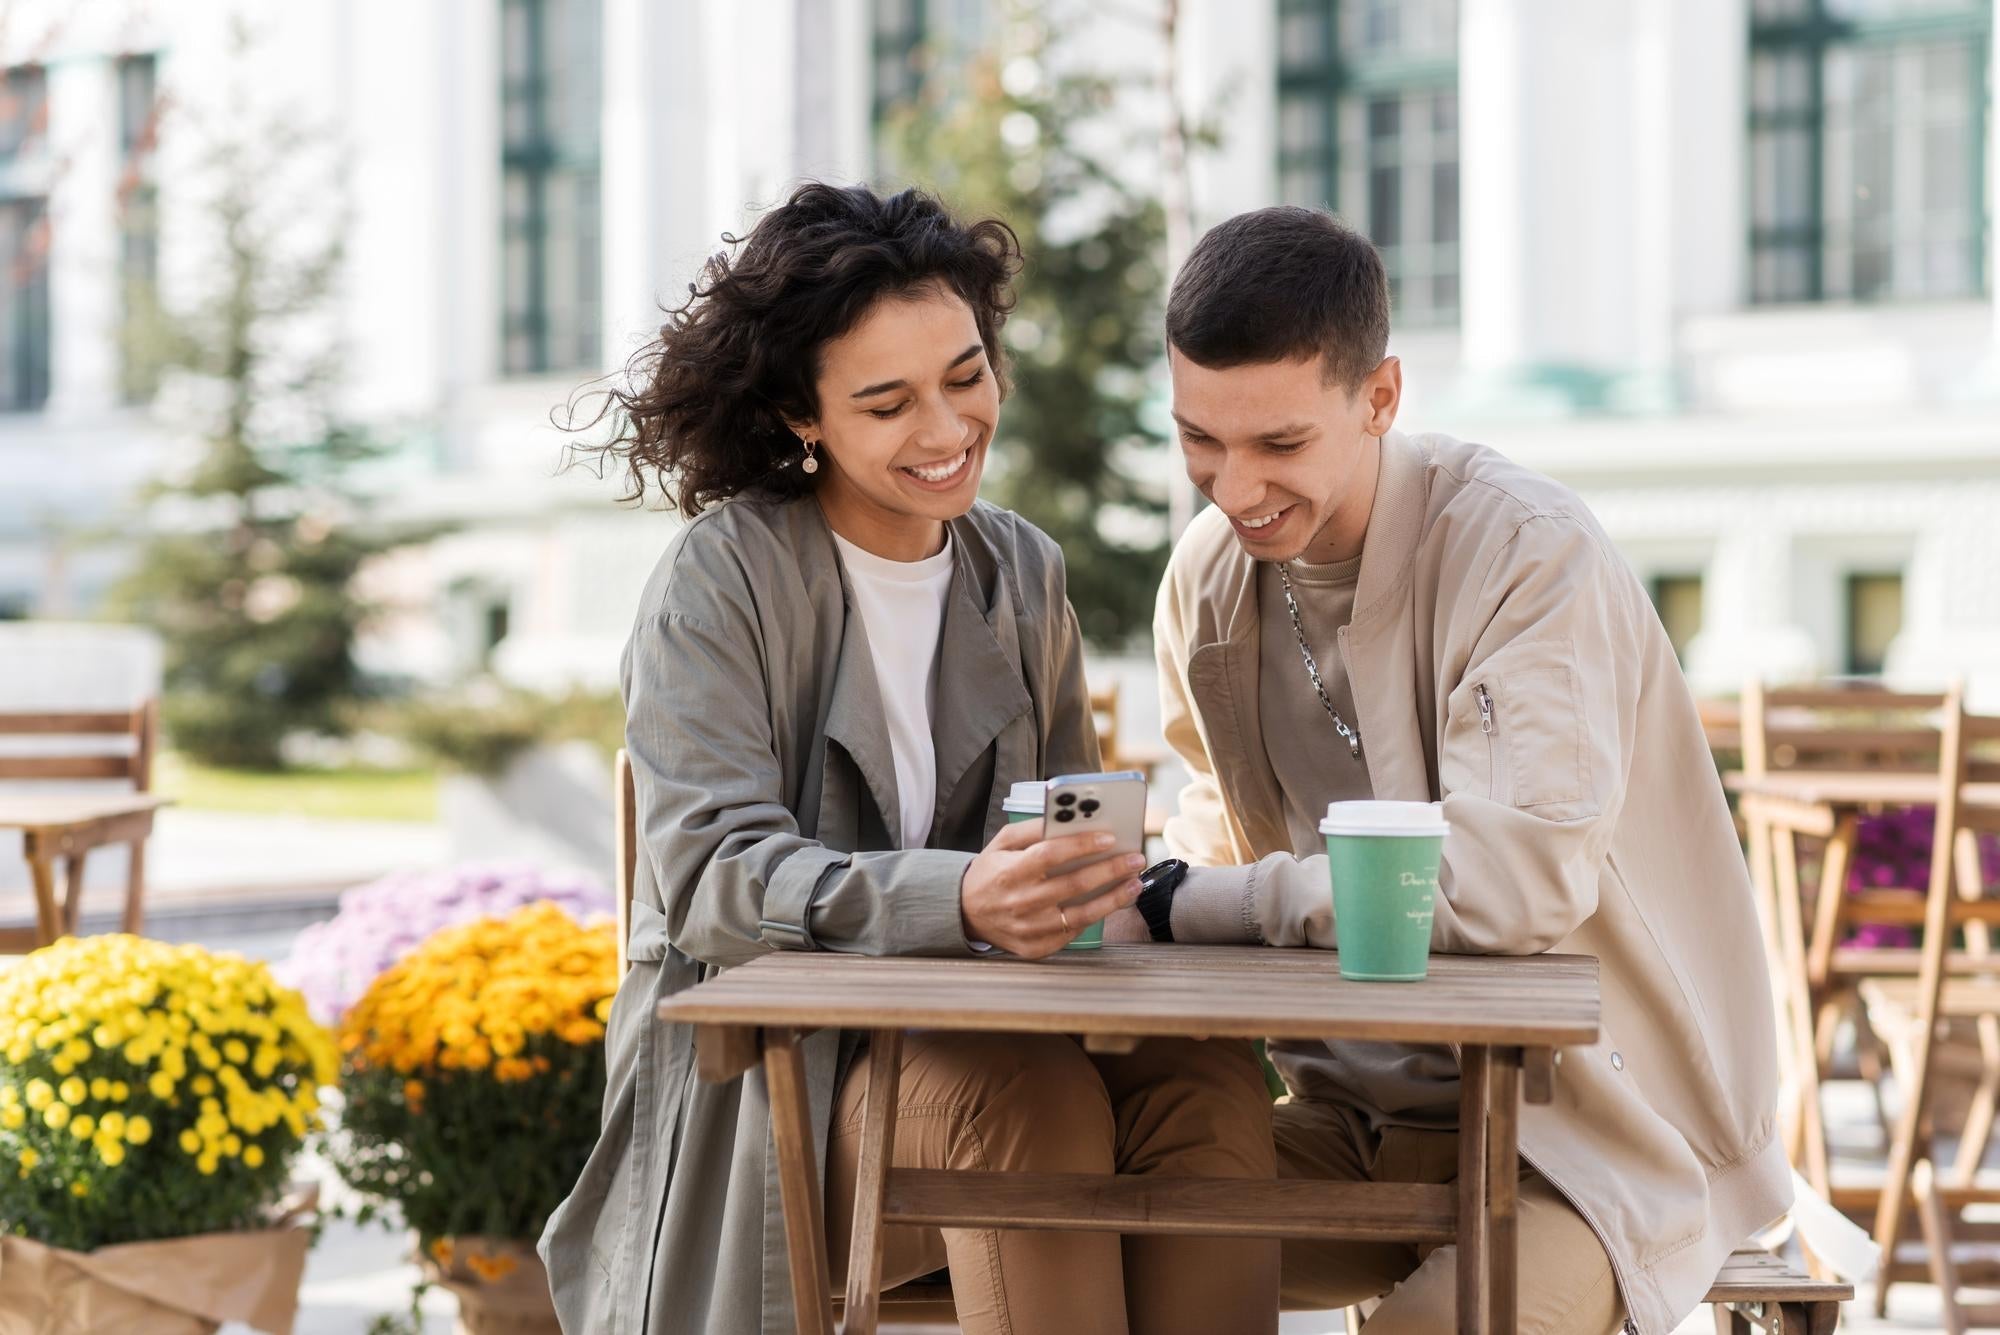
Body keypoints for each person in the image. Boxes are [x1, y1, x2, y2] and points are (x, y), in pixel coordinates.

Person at [538, 182, 1279, 1335]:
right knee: (1022, 1107)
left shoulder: (1020, 571)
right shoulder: (723, 578)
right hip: (783, 1072)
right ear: (802, 414)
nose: (943, 433)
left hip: (1002, 1028)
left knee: (1212, 1092)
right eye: (885, 404)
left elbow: (1079, 835)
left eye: (964, 376)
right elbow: (712, 880)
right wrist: (967, 899)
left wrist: (1098, 889)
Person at [1115, 206, 1790, 1334]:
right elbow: (1217, 835)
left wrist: (1200, 901)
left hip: (1587, 1138)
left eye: (1278, 445)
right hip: (1350, 1114)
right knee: (1092, 1252)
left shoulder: (1522, 550)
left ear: (1378, 398)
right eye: (1199, 441)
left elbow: (1510, 881)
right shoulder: (1205, 581)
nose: (1232, 489)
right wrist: (1135, 895)